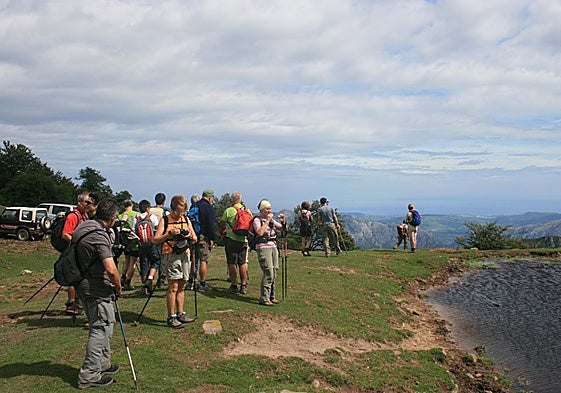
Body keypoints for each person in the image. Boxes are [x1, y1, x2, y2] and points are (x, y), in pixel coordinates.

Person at [74, 198, 122, 389]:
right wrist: (118, 286)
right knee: (100, 328)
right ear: (113, 218)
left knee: (105, 324)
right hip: (95, 287)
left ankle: (103, 364)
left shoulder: (84, 226)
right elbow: (111, 269)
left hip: (82, 282)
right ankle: (89, 375)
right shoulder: (99, 235)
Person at [152, 194, 197, 329]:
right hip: (170, 254)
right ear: (172, 208)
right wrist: (169, 234)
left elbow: (194, 237)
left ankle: (180, 313)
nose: (179, 214)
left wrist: (188, 235)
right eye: (177, 211)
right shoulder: (165, 220)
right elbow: (155, 240)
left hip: (185, 254)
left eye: (182, 211)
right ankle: (171, 316)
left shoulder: (186, 219)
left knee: (182, 285)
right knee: (173, 287)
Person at [61, 191, 92, 316]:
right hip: (73, 252)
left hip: (81, 252)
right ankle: (71, 303)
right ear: (79, 202)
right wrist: (78, 243)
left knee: (81, 277)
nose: (89, 205)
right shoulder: (73, 216)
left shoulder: (84, 215)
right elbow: (65, 234)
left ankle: (78, 302)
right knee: (73, 277)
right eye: (87, 202)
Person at [252, 199, 285, 306]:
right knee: (268, 271)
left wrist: (283, 222)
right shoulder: (257, 220)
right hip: (263, 246)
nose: (269, 211)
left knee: (274, 271)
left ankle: (272, 296)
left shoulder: (271, 220)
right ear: (262, 210)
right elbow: (260, 232)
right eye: (267, 209)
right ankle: (264, 297)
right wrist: (267, 221)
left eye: (269, 209)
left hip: (273, 246)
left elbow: (281, 229)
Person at [219, 192, 251, 295]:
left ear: (232, 200)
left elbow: (221, 223)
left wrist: (222, 232)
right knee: (242, 263)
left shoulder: (229, 210)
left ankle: (234, 286)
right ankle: (243, 285)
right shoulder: (247, 210)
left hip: (231, 239)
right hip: (244, 240)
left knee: (232, 263)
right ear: (241, 199)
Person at [188, 189, 217, 293]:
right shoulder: (208, 207)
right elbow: (211, 224)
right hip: (203, 236)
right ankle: (202, 284)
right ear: (209, 197)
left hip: (193, 235)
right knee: (204, 260)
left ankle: (190, 282)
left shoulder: (194, 205)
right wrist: (212, 238)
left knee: (193, 259)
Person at [135, 199, 161, 293]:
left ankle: (144, 285)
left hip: (142, 244)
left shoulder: (137, 218)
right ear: (147, 208)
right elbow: (157, 228)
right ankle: (150, 278)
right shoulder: (152, 217)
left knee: (144, 263)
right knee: (156, 260)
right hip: (151, 243)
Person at [118, 200, 138, 290]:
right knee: (133, 261)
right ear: (131, 205)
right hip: (133, 240)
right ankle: (128, 281)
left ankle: (123, 276)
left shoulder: (120, 216)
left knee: (126, 259)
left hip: (124, 240)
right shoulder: (136, 214)